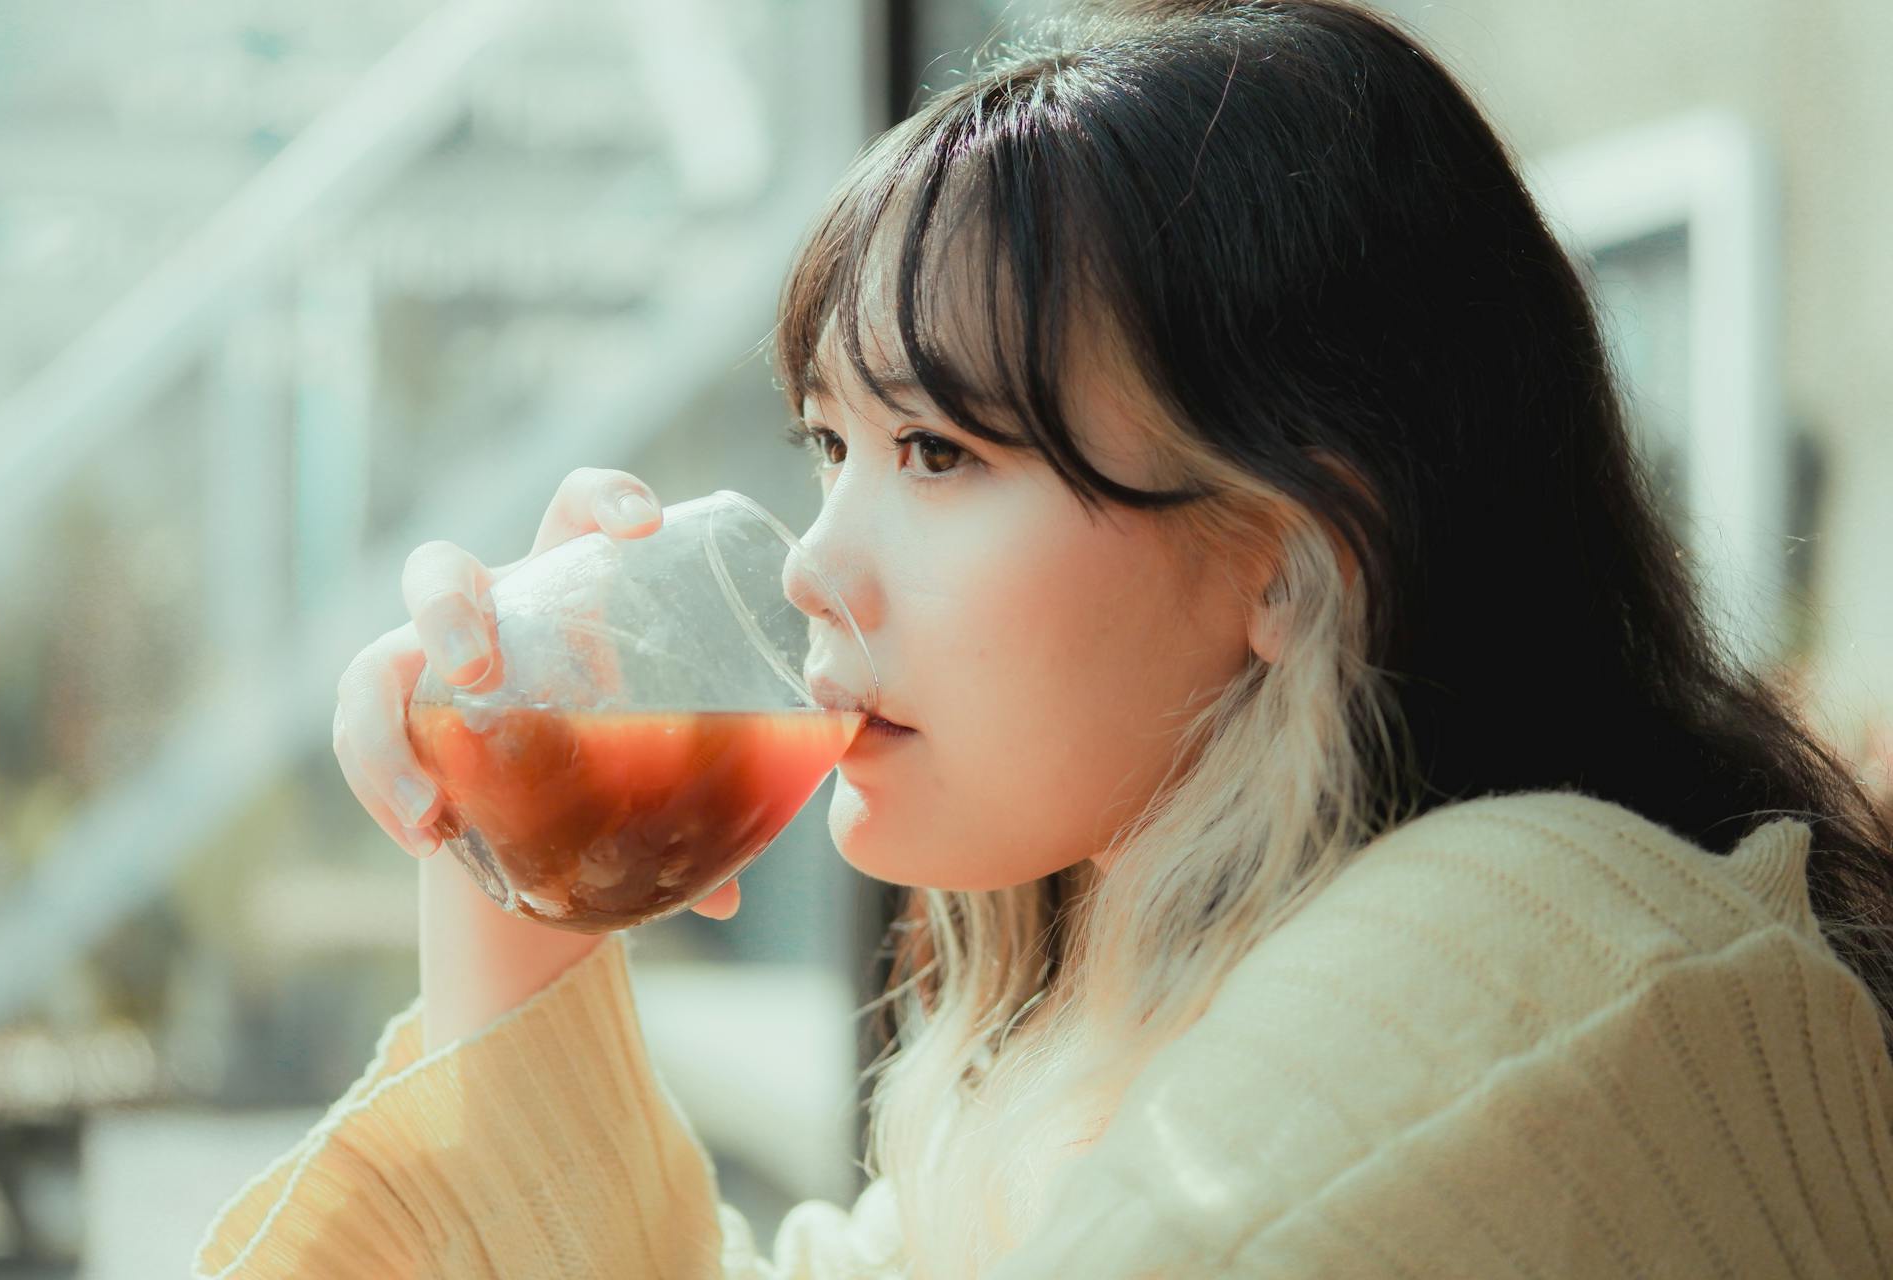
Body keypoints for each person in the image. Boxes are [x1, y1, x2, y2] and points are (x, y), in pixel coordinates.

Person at [194, 1, 1893, 1275]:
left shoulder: (1519, 972)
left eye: (939, 452)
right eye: (830, 450)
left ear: (1289, 564)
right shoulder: (1058, 1070)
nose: (811, 568)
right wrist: (511, 868)